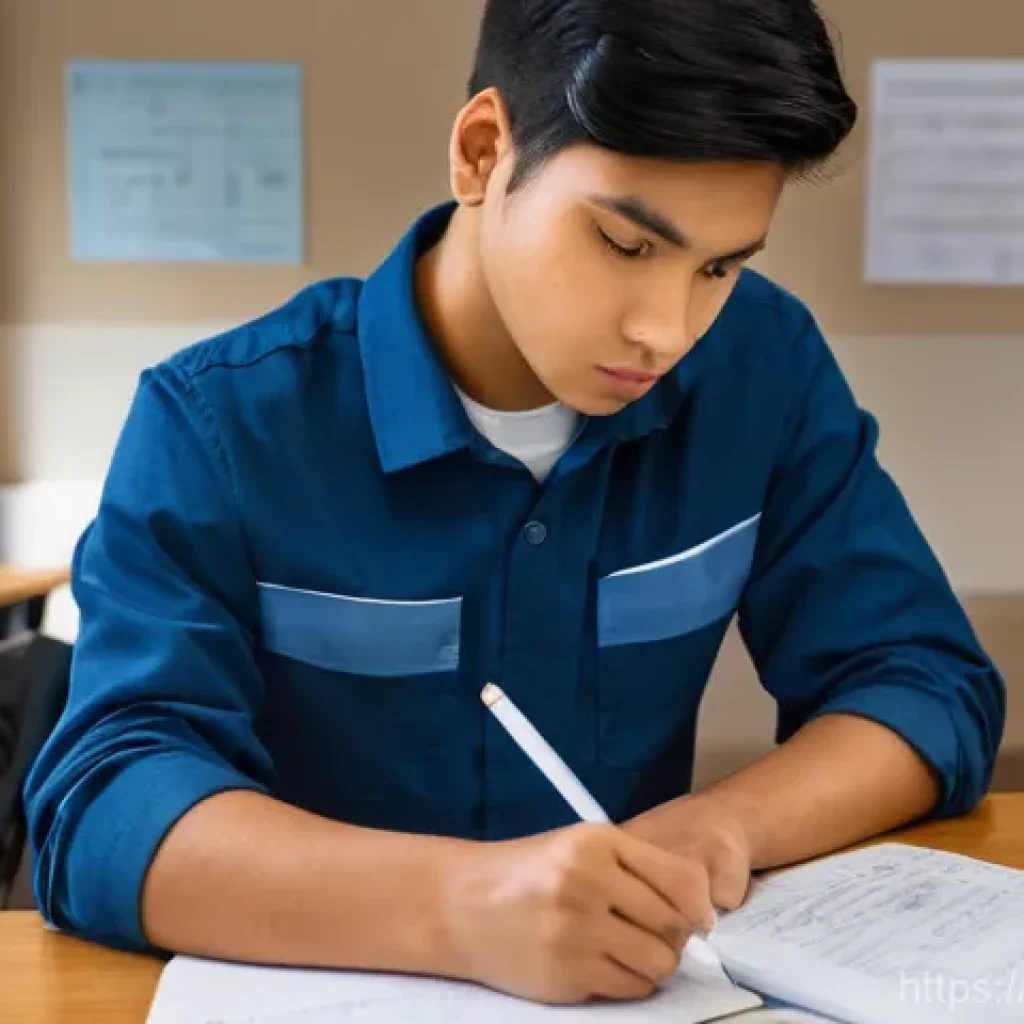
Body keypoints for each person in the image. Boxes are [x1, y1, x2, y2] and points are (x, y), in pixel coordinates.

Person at [24, 0, 1005, 1009]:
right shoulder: (219, 424)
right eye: (625, 245)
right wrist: (460, 906)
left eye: (717, 266)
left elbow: (923, 682)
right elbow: (103, 806)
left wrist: (720, 827)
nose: (664, 328)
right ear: (483, 153)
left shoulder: (763, 369)